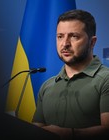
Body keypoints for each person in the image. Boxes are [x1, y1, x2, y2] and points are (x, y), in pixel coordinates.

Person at [32, 9, 109, 140]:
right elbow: (34, 131)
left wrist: (70, 134)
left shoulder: (106, 79)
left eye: (74, 36)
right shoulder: (47, 86)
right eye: (60, 36)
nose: (65, 44)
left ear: (92, 42)